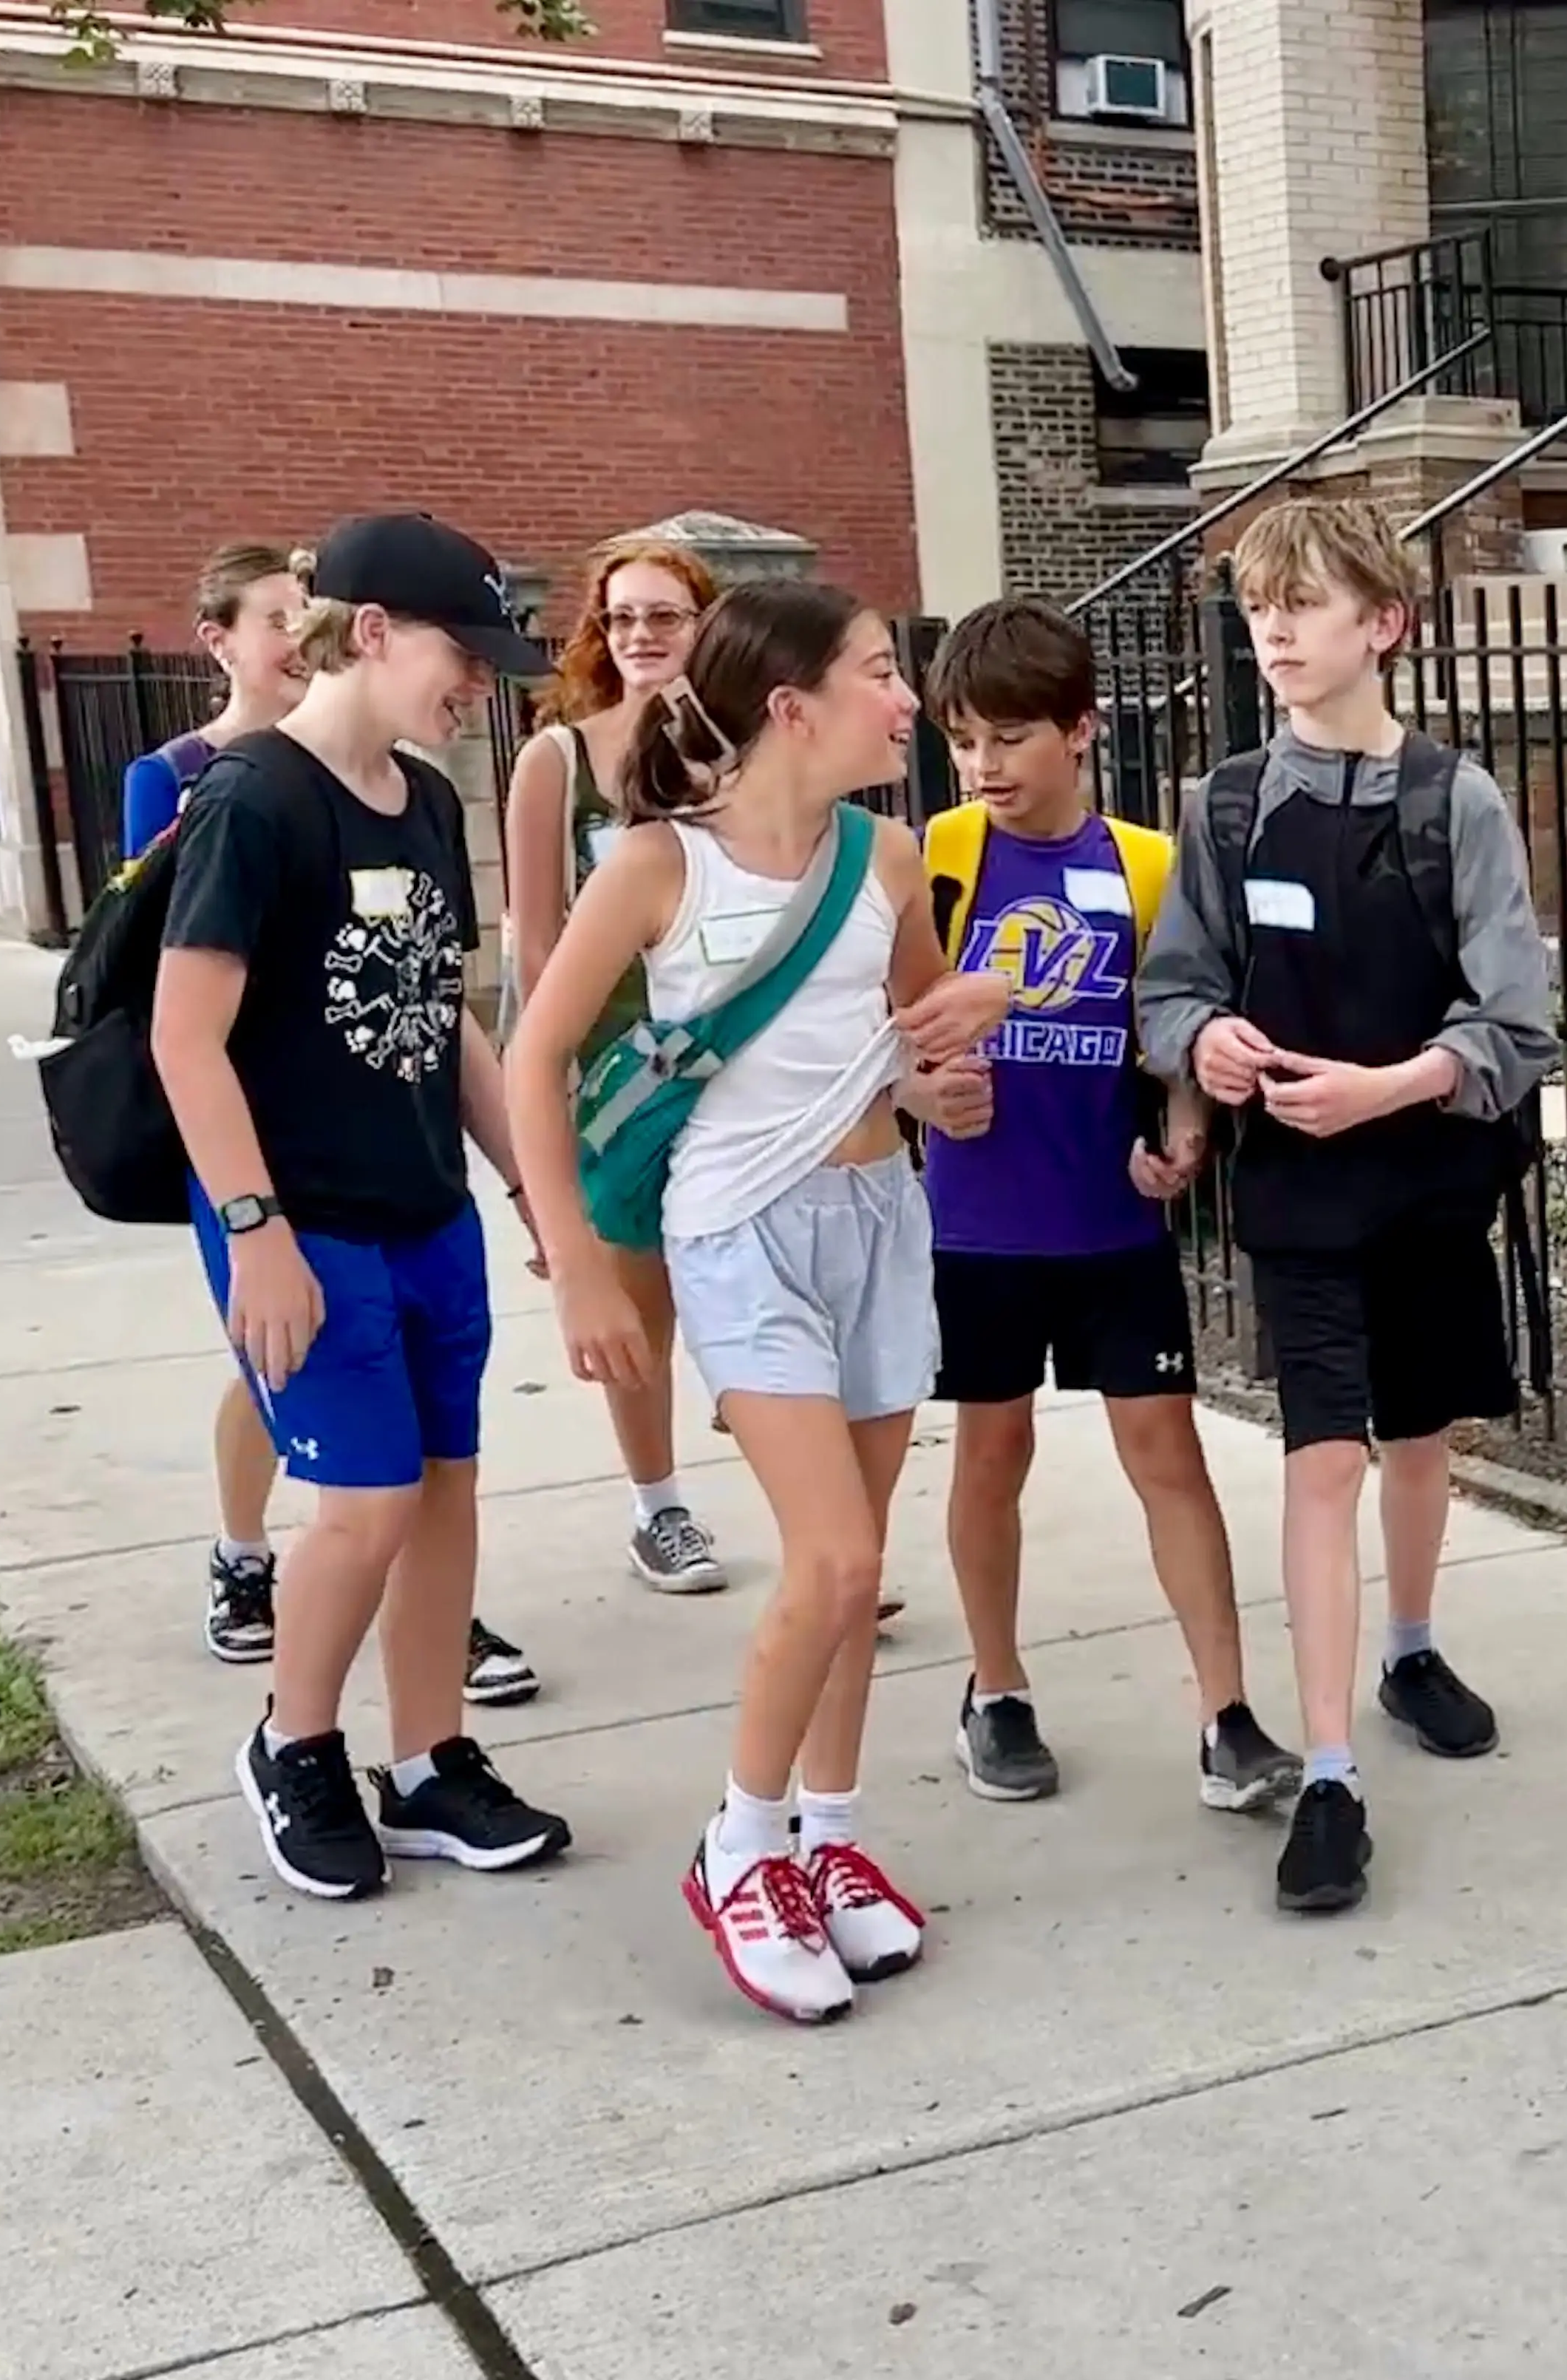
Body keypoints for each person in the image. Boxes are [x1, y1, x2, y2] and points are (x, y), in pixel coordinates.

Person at [506, 580, 1005, 2025]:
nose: (907, 701)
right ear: (791, 706)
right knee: (836, 1563)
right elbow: (534, 1059)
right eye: (877, 674)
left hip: (877, 1223)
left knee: (851, 1570)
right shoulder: (659, 868)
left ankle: (830, 1838)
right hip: (736, 1235)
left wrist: (957, 1064)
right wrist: (584, 1264)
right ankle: (738, 1847)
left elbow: (916, 1050)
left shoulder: (890, 855)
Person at [1137, 497, 1560, 1919]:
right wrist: (1204, 1046)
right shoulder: (1228, 803)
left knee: (1419, 1435)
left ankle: (1414, 1648)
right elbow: (1173, 983)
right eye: (1260, 605)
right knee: (1324, 1460)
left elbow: (1515, 1024)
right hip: (1299, 1199)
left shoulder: (1456, 803)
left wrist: (1389, 1088)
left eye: (1304, 604)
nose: (1274, 628)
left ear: (1384, 624)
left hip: (1428, 1179)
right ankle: (1328, 1774)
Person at [146, 511, 574, 1900]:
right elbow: (184, 1039)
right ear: (375, 632)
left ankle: (433, 1756)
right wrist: (256, 1233)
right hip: (301, 1215)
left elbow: (439, 1020)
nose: (480, 687)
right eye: (466, 654)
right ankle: (297, 1741)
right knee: (362, 1502)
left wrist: (535, 1194)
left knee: (444, 1482)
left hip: (421, 1204)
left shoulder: (428, 799)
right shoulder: (253, 799)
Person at [916, 597, 1296, 1815]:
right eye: (963, 739)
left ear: (1081, 730)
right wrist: (926, 1093)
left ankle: (1226, 1715)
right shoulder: (934, 857)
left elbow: (1175, 1032)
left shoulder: (1144, 863)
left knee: (1166, 1453)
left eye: (1009, 738)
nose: (983, 767)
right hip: (975, 1227)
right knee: (993, 1449)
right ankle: (996, 1688)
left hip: (1110, 1224)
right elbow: (885, 1032)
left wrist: (1184, 1134)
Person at [506, 534, 730, 1599]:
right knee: (640, 1305)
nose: (641, 636)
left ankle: (817, 1516)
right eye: (622, 617)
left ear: (705, 626)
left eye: (665, 616)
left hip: (737, 1054)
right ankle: (659, 1507)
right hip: (619, 1071)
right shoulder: (557, 757)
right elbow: (537, 940)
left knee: (755, 1288)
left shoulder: (742, 747)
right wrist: (552, 1082)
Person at [125, 540, 312, 1673]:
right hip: (236, 1103)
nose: (299, 638)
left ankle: (399, 1564)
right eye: (278, 617)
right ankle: (244, 1553)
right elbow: (152, 949)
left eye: (311, 614)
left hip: (347, 1097)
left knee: (381, 1360)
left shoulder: (357, 767)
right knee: (273, 1351)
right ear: (222, 640)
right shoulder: (179, 774)